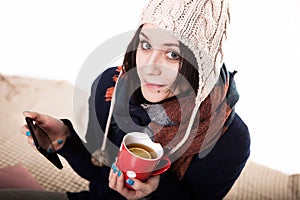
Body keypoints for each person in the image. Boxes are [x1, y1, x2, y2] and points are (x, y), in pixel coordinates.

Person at [2, 0, 250, 199]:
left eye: (173, 54)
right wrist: (65, 141)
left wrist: (156, 191)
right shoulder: (109, 87)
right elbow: (99, 178)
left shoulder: (229, 139)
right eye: (145, 45)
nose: (150, 67)